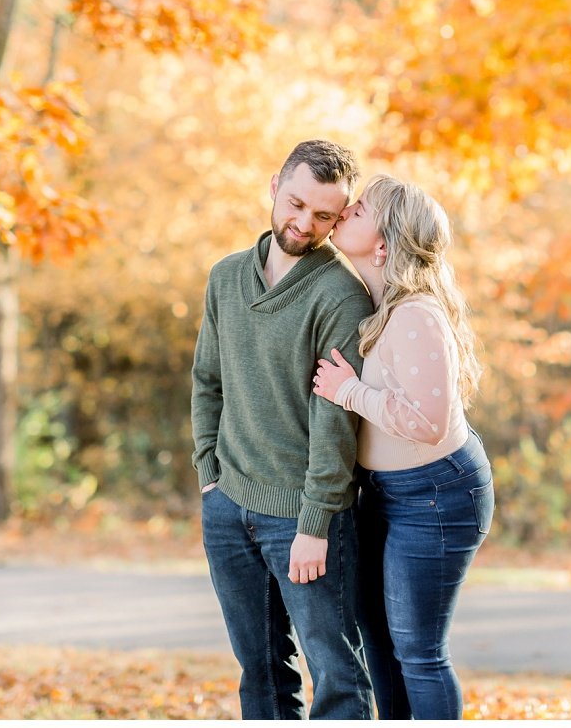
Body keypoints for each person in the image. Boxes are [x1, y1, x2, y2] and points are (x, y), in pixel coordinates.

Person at [191, 139, 375, 720]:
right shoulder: (225, 279)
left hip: (303, 517)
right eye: (296, 204)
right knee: (261, 673)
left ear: (340, 216)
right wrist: (208, 476)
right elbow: (207, 380)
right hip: (228, 506)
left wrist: (315, 522)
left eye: (324, 215)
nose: (304, 223)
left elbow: (335, 421)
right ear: (275, 186)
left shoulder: (341, 294)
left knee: (337, 675)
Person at [313, 174, 495, 720]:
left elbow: (428, 423)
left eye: (361, 209)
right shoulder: (378, 304)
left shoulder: (415, 314)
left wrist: (349, 391)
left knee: (418, 652)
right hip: (386, 492)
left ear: (386, 240)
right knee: (382, 645)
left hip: (437, 495)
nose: (346, 211)